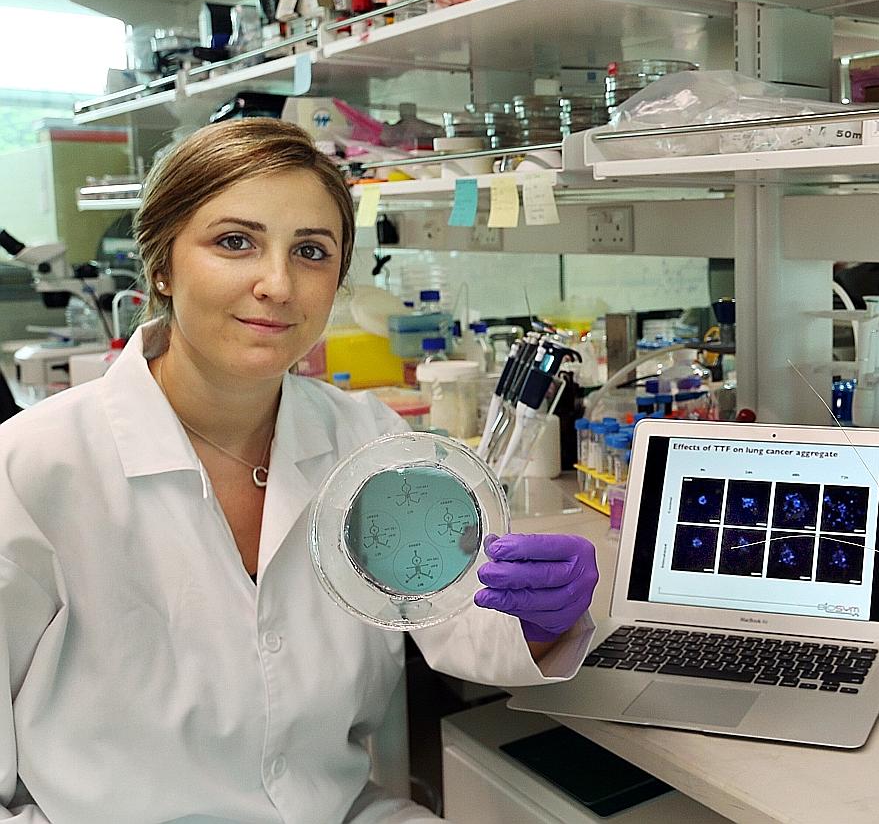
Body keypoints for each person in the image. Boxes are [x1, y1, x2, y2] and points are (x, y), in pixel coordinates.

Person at [0, 120, 600, 822]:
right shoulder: (36, 466)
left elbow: (453, 621)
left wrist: (537, 618)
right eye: (234, 242)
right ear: (161, 263)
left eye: (311, 252)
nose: (277, 284)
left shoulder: (366, 438)